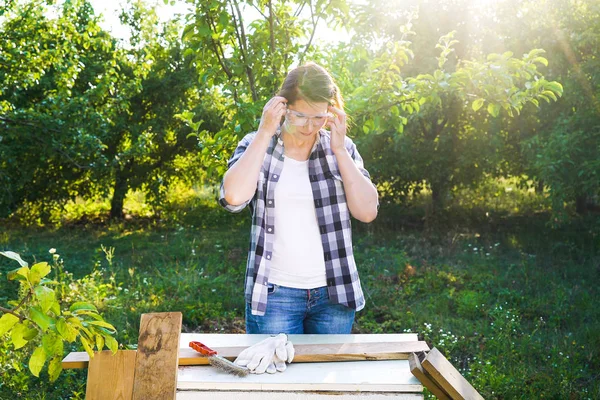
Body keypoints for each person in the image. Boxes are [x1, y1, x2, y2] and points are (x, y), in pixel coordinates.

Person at [219, 62, 378, 342]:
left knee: (325, 384)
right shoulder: (257, 144)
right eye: (300, 116)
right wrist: (265, 132)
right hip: (274, 297)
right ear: (282, 107)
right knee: (275, 383)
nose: (309, 126)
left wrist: (339, 150)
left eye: (318, 117)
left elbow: (367, 211)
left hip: (335, 295)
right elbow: (232, 198)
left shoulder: (342, 147)